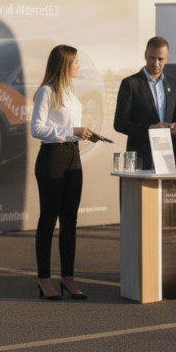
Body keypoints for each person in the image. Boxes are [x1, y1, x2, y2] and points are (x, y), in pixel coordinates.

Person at [31, 44, 103, 301]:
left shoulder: (71, 92)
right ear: (64, 65)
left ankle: (68, 278)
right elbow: (37, 129)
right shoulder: (46, 92)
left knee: (70, 221)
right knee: (48, 219)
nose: (79, 66)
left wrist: (84, 132)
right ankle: (43, 279)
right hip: (52, 158)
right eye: (76, 62)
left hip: (73, 156)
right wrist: (71, 131)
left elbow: (69, 126)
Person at [114, 36, 176, 171]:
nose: (156, 63)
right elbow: (119, 124)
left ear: (167, 58)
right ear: (145, 55)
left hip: (169, 158)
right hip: (141, 158)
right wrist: (150, 129)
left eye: (160, 59)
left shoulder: (173, 84)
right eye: (152, 58)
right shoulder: (130, 84)